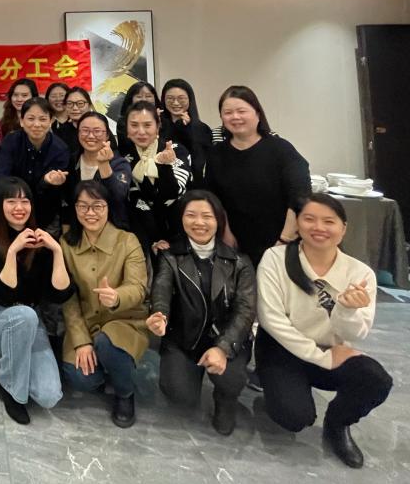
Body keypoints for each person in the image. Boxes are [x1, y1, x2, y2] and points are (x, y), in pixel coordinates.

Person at [255, 194, 392, 468]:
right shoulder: (275, 258)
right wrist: (321, 357)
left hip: (330, 349)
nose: (319, 227)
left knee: (376, 380)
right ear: (298, 224)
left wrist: (347, 310)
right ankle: (273, 386)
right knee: (294, 417)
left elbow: (356, 334)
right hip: (281, 349)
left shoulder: (360, 273)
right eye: (309, 219)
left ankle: (338, 424)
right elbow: (271, 319)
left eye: (329, 221)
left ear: (343, 228)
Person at [147, 190, 256, 435]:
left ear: (218, 220)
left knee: (231, 380)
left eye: (207, 216)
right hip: (184, 338)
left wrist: (223, 348)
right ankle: (191, 374)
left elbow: (245, 311)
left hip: (227, 338)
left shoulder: (239, 261)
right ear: (181, 218)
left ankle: (225, 400)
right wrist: (160, 315)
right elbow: (161, 290)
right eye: (191, 215)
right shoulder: (170, 256)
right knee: (180, 395)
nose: (199, 222)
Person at [0, 177, 72, 423]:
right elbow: (1, 293)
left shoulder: (40, 240)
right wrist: (12, 251)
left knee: (49, 396)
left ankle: (12, 362)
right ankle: (10, 389)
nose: (19, 207)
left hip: (30, 321)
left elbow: (59, 294)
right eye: (11, 201)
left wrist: (57, 251)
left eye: (25, 201)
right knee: (24, 315)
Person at [60, 181, 148, 428]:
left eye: (97, 206)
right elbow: (68, 298)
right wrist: (81, 341)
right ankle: (110, 371)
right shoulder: (66, 243)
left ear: (108, 207)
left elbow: (139, 288)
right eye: (83, 206)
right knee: (80, 377)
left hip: (125, 320)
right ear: (75, 209)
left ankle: (124, 392)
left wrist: (117, 296)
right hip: (86, 323)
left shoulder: (127, 240)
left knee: (109, 344)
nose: (90, 213)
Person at [205, 86, 310, 266]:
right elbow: (214, 198)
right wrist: (226, 233)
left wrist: (284, 240)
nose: (235, 117)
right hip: (234, 245)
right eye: (228, 112)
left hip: (281, 243)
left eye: (241, 111)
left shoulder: (281, 149)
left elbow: (299, 197)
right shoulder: (216, 154)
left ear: (258, 113)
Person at [121, 101, 191, 257]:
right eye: (134, 125)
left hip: (180, 230)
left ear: (158, 126)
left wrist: (164, 166)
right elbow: (132, 198)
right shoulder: (126, 158)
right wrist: (152, 239)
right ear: (127, 129)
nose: (141, 131)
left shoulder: (176, 150)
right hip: (144, 235)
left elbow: (175, 192)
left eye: (147, 125)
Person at [0, 97, 70, 234]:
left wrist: (47, 181)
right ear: (22, 121)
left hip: (45, 213)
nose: (36, 124)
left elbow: (56, 194)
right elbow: (1, 177)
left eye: (42, 119)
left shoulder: (61, 149)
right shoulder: (11, 141)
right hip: (12, 211)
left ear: (51, 121)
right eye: (31, 118)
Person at [62, 112, 131, 231]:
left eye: (97, 131)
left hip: (112, 230)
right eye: (85, 130)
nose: (90, 136)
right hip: (79, 230)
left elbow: (118, 196)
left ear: (107, 135)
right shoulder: (71, 161)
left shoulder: (119, 164)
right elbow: (66, 202)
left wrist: (104, 165)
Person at [161, 79, 212, 187]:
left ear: (190, 100)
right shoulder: (159, 127)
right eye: (170, 98)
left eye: (181, 98)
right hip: (166, 185)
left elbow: (201, 161)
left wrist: (186, 129)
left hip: (194, 187)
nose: (175, 103)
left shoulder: (202, 129)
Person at [114, 81, 161, 153]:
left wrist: (157, 120)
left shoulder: (163, 118)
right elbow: (127, 146)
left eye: (148, 96)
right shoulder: (123, 121)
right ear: (131, 99)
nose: (144, 99)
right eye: (139, 96)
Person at [57, 86, 93, 156]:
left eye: (80, 103)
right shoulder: (60, 132)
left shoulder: (100, 128)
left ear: (89, 106)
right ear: (65, 106)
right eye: (70, 103)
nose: (75, 108)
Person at [45, 83, 72, 148]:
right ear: (47, 99)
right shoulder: (44, 122)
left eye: (62, 95)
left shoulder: (76, 120)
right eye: (53, 96)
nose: (58, 99)